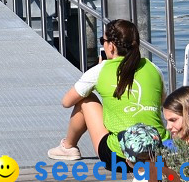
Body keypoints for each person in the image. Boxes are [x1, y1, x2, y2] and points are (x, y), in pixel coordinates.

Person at [48, 19, 169, 169]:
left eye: (102, 41)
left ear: (111, 46)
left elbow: (66, 102)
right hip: (160, 153)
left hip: (120, 157)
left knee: (85, 99)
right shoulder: (153, 68)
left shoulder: (100, 70)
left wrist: (96, 79)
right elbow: (162, 103)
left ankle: (68, 147)